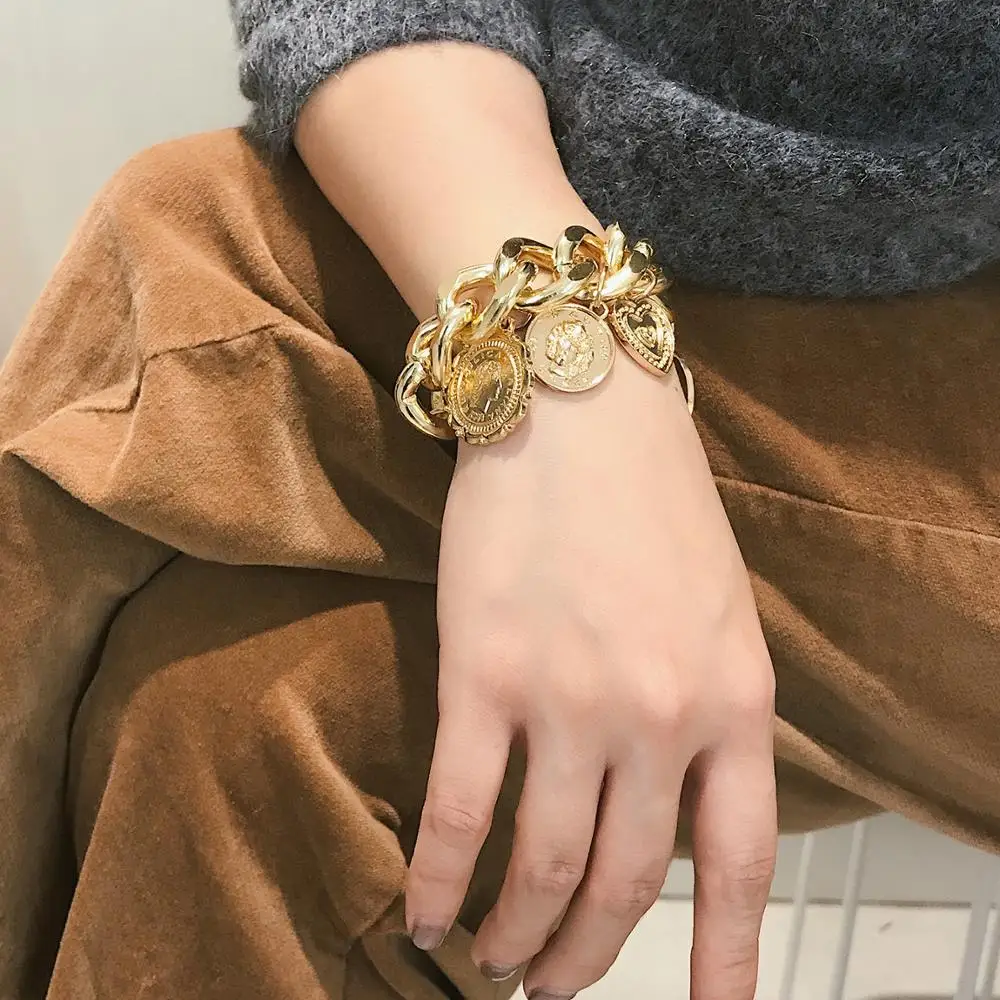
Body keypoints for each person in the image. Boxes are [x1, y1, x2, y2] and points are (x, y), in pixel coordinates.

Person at [1, 2, 998, 998]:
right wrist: (580, 367)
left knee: (185, 268)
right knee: (230, 720)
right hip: (605, 215)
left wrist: (565, 351)